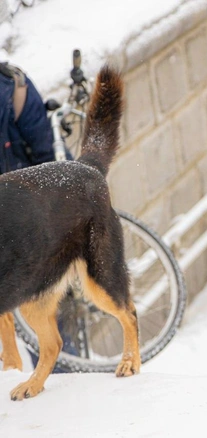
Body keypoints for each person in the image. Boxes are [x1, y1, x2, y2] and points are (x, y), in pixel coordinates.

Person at [0, 61, 76, 372]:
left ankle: (63, 377)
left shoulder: (12, 87)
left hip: (25, 215)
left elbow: (48, 155)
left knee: (44, 312)